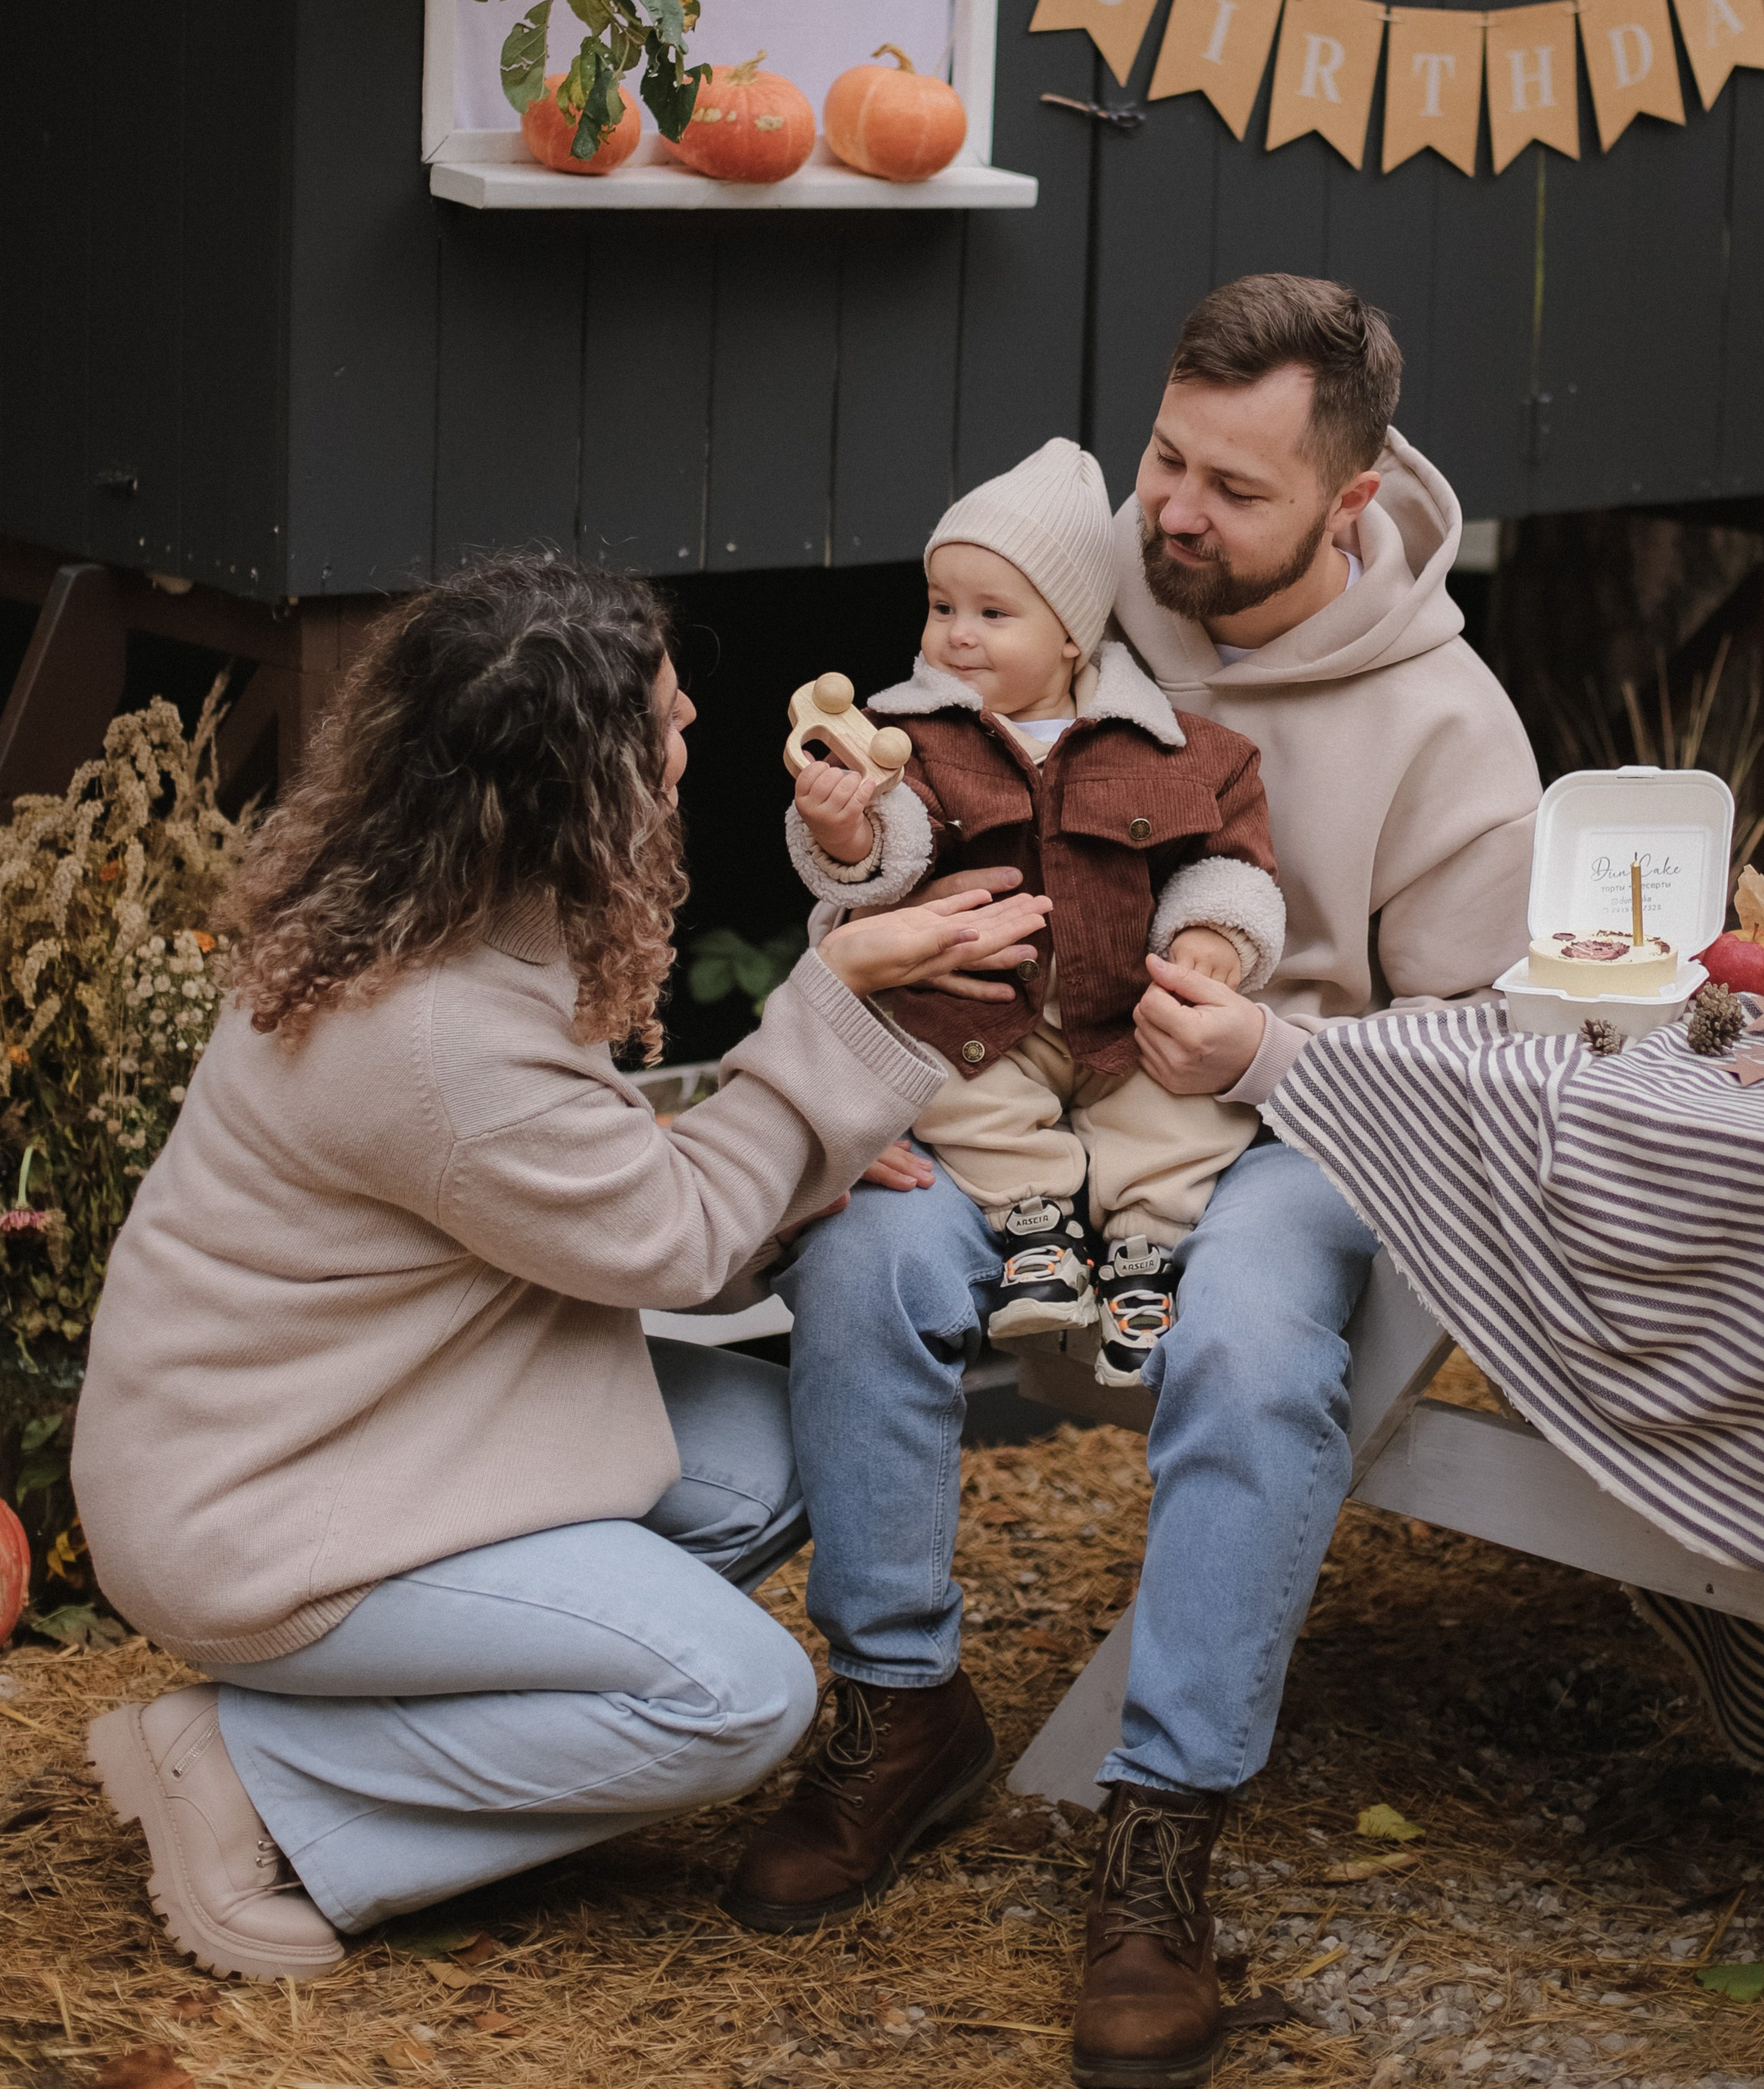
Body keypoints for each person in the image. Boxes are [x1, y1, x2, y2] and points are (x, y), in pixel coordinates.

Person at [734, 275, 1541, 2089]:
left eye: (1228, 490)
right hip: (1013, 1071)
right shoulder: (1082, 582)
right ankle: (900, 1713)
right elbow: (909, 765)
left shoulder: (1452, 732)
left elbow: (1482, 1064)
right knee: (863, 1256)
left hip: (1284, 1128)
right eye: (1163, 454)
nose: (1168, 509)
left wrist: (1261, 1054)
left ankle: (1158, 1832)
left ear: (1346, 504)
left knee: (1251, 1353)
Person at [70, 554, 1046, 1981]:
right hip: (261, 1510)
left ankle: (424, 1720)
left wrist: (794, 1155)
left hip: (368, 1413)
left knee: (776, 1462)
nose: (692, 718)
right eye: (659, 715)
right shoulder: (432, 1039)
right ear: (567, 787)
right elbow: (679, 1243)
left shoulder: (423, 902)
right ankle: (255, 1770)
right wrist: (831, 1015)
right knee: (739, 1698)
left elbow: (612, 1204)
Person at [787, 437, 1287, 1386]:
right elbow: (897, 855)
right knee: (939, 1082)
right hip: (983, 1017)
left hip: (1126, 1017)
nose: (957, 635)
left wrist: (1212, 933)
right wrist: (845, 835)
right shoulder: (908, 743)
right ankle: (1036, 1228)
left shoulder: (1180, 750)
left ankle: (1143, 1248)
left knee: (1184, 1108)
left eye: (991, 612)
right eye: (941, 608)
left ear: (1070, 632)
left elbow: (1230, 857)